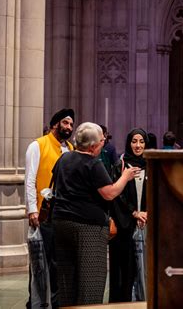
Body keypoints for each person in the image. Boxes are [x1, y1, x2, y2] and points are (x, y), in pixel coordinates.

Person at [51, 122, 140, 306]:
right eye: (102, 141)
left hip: (61, 223)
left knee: (67, 278)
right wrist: (125, 176)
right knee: (91, 280)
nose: (103, 144)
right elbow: (110, 193)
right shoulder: (93, 163)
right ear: (93, 146)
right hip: (87, 228)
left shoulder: (64, 158)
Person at [25, 108, 75, 308]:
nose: (69, 128)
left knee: (58, 264)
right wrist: (32, 210)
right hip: (43, 214)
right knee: (39, 263)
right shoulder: (37, 145)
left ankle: (56, 303)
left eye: (71, 124)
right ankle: (35, 303)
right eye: (65, 123)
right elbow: (30, 180)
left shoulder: (70, 148)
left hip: (63, 215)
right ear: (55, 124)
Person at [109, 128, 149, 302]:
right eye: (134, 141)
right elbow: (116, 196)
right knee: (125, 270)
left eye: (141, 141)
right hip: (126, 225)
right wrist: (134, 213)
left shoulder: (152, 164)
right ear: (128, 143)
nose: (138, 145)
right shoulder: (121, 165)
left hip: (147, 223)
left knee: (145, 268)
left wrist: (147, 213)